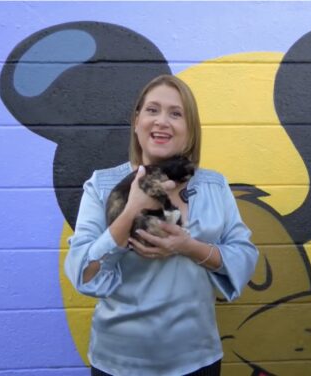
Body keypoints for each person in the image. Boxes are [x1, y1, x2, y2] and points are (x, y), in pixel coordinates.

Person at [65, 74, 258, 375]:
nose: (162, 122)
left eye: (176, 113)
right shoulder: (102, 186)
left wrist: (188, 246)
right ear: (136, 120)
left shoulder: (214, 186)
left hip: (197, 361)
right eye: (152, 110)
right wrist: (131, 210)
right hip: (118, 364)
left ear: (190, 129)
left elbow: (244, 257)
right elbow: (83, 274)